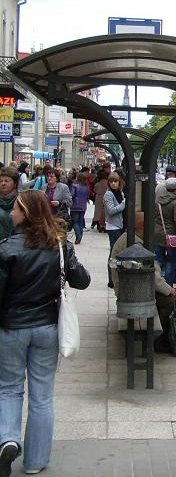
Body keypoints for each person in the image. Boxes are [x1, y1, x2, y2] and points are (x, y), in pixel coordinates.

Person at [0, 190, 90, 476]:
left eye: (15, 209)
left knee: (10, 388)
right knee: (42, 395)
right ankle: (36, 461)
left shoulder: (6, 249)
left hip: (11, 328)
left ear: (26, 213)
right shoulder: (59, 246)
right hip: (47, 327)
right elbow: (83, 280)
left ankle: (8, 439)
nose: (11, 213)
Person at [109, 212, 176, 353]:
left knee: (168, 300)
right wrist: (168, 289)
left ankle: (166, 339)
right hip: (132, 291)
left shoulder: (130, 238)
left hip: (131, 286)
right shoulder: (134, 243)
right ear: (142, 226)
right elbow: (151, 275)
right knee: (169, 302)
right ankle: (162, 342)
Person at [154, 177, 176, 286]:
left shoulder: (158, 201)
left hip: (157, 234)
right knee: (171, 260)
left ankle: (158, 283)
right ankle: (167, 284)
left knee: (158, 260)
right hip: (172, 235)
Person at [103, 172, 126, 252]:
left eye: (115, 181)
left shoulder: (120, 192)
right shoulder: (109, 194)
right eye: (111, 181)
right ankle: (111, 264)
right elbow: (111, 210)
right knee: (114, 250)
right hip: (113, 225)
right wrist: (123, 204)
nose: (113, 183)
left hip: (119, 225)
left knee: (117, 250)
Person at [68, 172, 90, 245]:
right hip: (83, 206)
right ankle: (80, 235)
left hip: (75, 206)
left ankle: (78, 235)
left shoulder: (74, 186)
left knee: (74, 222)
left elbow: (72, 195)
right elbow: (87, 196)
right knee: (80, 222)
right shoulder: (86, 186)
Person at [0, 167, 19, 242]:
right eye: (0, 181)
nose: (3, 183)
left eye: (6, 181)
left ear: (15, 183)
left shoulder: (22, 201)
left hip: (15, 245)